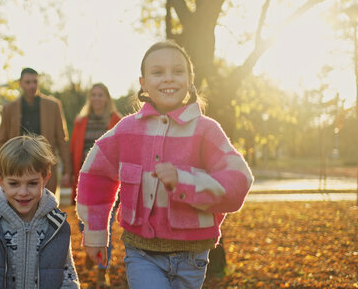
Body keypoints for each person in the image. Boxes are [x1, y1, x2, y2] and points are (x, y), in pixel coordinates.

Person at [76, 40, 253, 289]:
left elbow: (239, 181)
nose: (168, 78)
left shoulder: (206, 131)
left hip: (193, 256)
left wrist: (185, 181)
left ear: (190, 80)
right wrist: (96, 234)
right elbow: (96, 176)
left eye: (178, 71)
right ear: (143, 83)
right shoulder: (126, 130)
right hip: (141, 253)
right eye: (158, 72)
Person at [0, 135, 80, 289]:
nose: (23, 192)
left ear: (45, 179)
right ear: (1, 181)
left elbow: (69, 280)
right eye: (14, 183)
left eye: (32, 183)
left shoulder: (56, 227)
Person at [68, 83, 121, 282]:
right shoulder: (81, 122)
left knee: (104, 225)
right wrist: (68, 173)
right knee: (85, 222)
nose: (97, 98)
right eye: (94, 95)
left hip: (108, 182)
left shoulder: (117, 121)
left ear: (107, 98)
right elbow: (74, 148)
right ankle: (91, 250)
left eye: (101, 95)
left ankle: (102, 271)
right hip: (84, 181)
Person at [0, 67, 73, 196]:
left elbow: (61, 139)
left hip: (44, 164)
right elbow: (2, 141)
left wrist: (67, 170)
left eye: (35, 82)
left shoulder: (53, 106)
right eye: (28, 82)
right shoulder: (9, 108)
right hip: (17, 165)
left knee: (47, 205)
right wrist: (2, 169)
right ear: (20, 83)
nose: (32, 86)